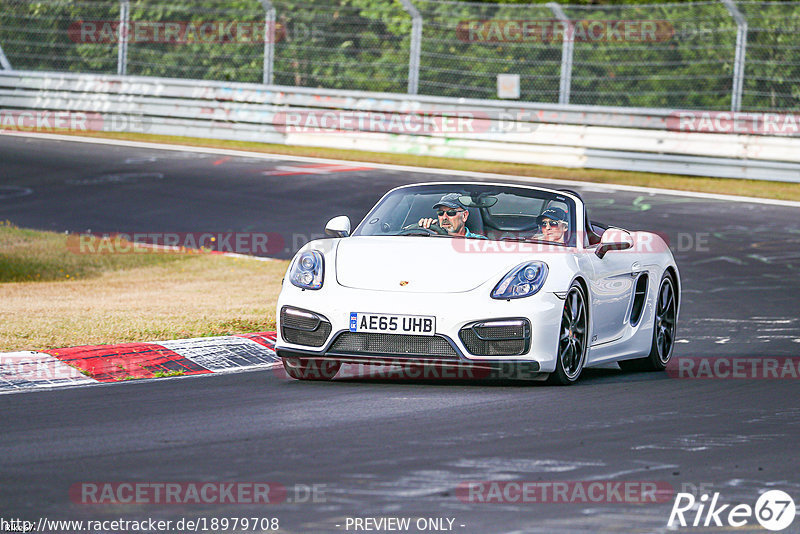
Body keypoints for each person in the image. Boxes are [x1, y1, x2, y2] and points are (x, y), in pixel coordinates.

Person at [418, 193, 486, 238]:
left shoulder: (479, 242)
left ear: (464, 216)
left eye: (451, 213)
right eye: (440, 213)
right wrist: (423, 231)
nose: (444, 217)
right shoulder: (430, 238)